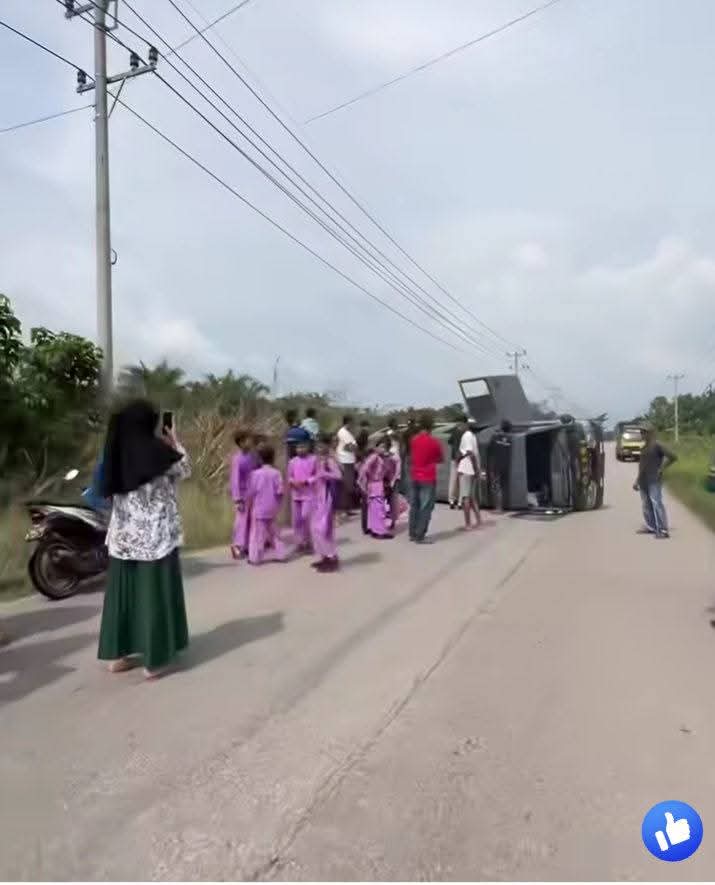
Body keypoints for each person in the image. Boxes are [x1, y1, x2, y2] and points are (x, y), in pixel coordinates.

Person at [98, 399, 190, 679]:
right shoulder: (159, 454)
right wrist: (175, 441)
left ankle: (117, 656)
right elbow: (185, 469)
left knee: (122, 597)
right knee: (154, 595)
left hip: (123, 539)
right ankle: (154, 660)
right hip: (155, 539)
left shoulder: (116, 455)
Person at [246, 444, 290, 564]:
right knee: (275, 533)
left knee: (257, 535)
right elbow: (280, 491)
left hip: (259, 508)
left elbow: (251, 492)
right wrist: (278, 505)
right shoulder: (276, 473)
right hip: (272, 508)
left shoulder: (255, 474)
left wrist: (248, 505)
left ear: (260, 458)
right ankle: (281, 555)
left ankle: (254, 557)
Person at [633, 426, 677, 538]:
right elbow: (642, 466)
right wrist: (637, 480)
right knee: (646, 505)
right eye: (641, 432)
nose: (642, 434)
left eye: (644, 432)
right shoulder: (644, 448)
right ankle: (651, 526)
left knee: (656, 503)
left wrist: (661, 468)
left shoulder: (657, 445)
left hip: (654, 479)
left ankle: (663, 530)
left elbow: (673, 457)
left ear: (651, 433)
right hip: (643, 481)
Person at [309, 432, 342, 572]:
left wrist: (324, 474)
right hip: (317, 496)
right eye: (317, 445)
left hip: (326, 497)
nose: (319, 447)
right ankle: (324, 556)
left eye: (321, 445)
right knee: (315, 527)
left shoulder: (330, 460)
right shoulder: (318, 459)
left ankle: (331, 556)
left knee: (323, 528)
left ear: (327, 445)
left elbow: (338, 476)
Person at [408, 414, 443, 543]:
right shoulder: (434, 442)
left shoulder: (413, 440)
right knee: (426, 507)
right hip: (428, 477)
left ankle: (412, 532)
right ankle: (420, 535)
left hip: (414, 475)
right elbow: (440, 459)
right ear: (431, 427)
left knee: (414, 505)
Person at [358, 436, 395, 539]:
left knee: (375, 508)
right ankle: (380, 531)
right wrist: (363, 480)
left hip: (376, 484)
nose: (383, 449)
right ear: (377, 446)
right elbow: (364, 468)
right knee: (379, 509)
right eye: (381, 446)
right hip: (374, 483)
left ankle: (374, 529)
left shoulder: (383, 458)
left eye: (385, 448)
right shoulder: (375, 456)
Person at [229, 429, 258, 560]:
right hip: (242, 495)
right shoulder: (237, 459)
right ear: (240, 443)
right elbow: (234, 480)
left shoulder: (252, 457)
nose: (250, 442)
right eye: (247, 440)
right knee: (241, 521)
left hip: (252, 494)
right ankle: (237, 546)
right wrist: (237, 499)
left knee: (250, 521)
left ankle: (246, 547)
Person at [288, 439, 317, 552]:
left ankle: (308, 541)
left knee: (306, 517)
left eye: (303, 447)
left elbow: (317, 475)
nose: (300, 450)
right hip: (296, 494)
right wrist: (292, 482)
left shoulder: (314, 459)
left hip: (308, 494)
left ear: (308, 447)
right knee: (296, 520)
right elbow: (289, 476)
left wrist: (307, 481)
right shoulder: (292, 462)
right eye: (298, 448)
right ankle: (299, 543)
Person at [457, 417, 482, 530]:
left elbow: (469, 453)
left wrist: (476, 468)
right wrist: (477, 469)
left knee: (465, 497)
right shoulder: (472, 436)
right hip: (471, 468)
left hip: (466, 467)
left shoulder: (466, 436)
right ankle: (478, 520)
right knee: (472, 496)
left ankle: (468, 524)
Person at [336, 414, 358, 517]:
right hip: (345, 460)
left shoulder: (348, 433)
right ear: (348, 422)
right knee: (347, 485)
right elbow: (350, 447)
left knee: (349, 484)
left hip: (349, 460)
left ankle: (347, 508)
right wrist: (355, 448)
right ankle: (344, 509)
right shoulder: (343, 432)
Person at [488, 419, 513, 511]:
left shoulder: (495, 437)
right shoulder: (510, 439)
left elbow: (489, 450)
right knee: (503, 487)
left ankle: (499, 508)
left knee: (496, 487)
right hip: (506, 466)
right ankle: (504, 506)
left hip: (496, 466)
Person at [447, 416, 467, 509]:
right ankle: (460, 502)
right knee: (462, 481)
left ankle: (451, 500)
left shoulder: (454, 431)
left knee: (453, 480)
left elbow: (449, 442)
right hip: (463, 459)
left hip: (454, 458)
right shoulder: (466, 433)